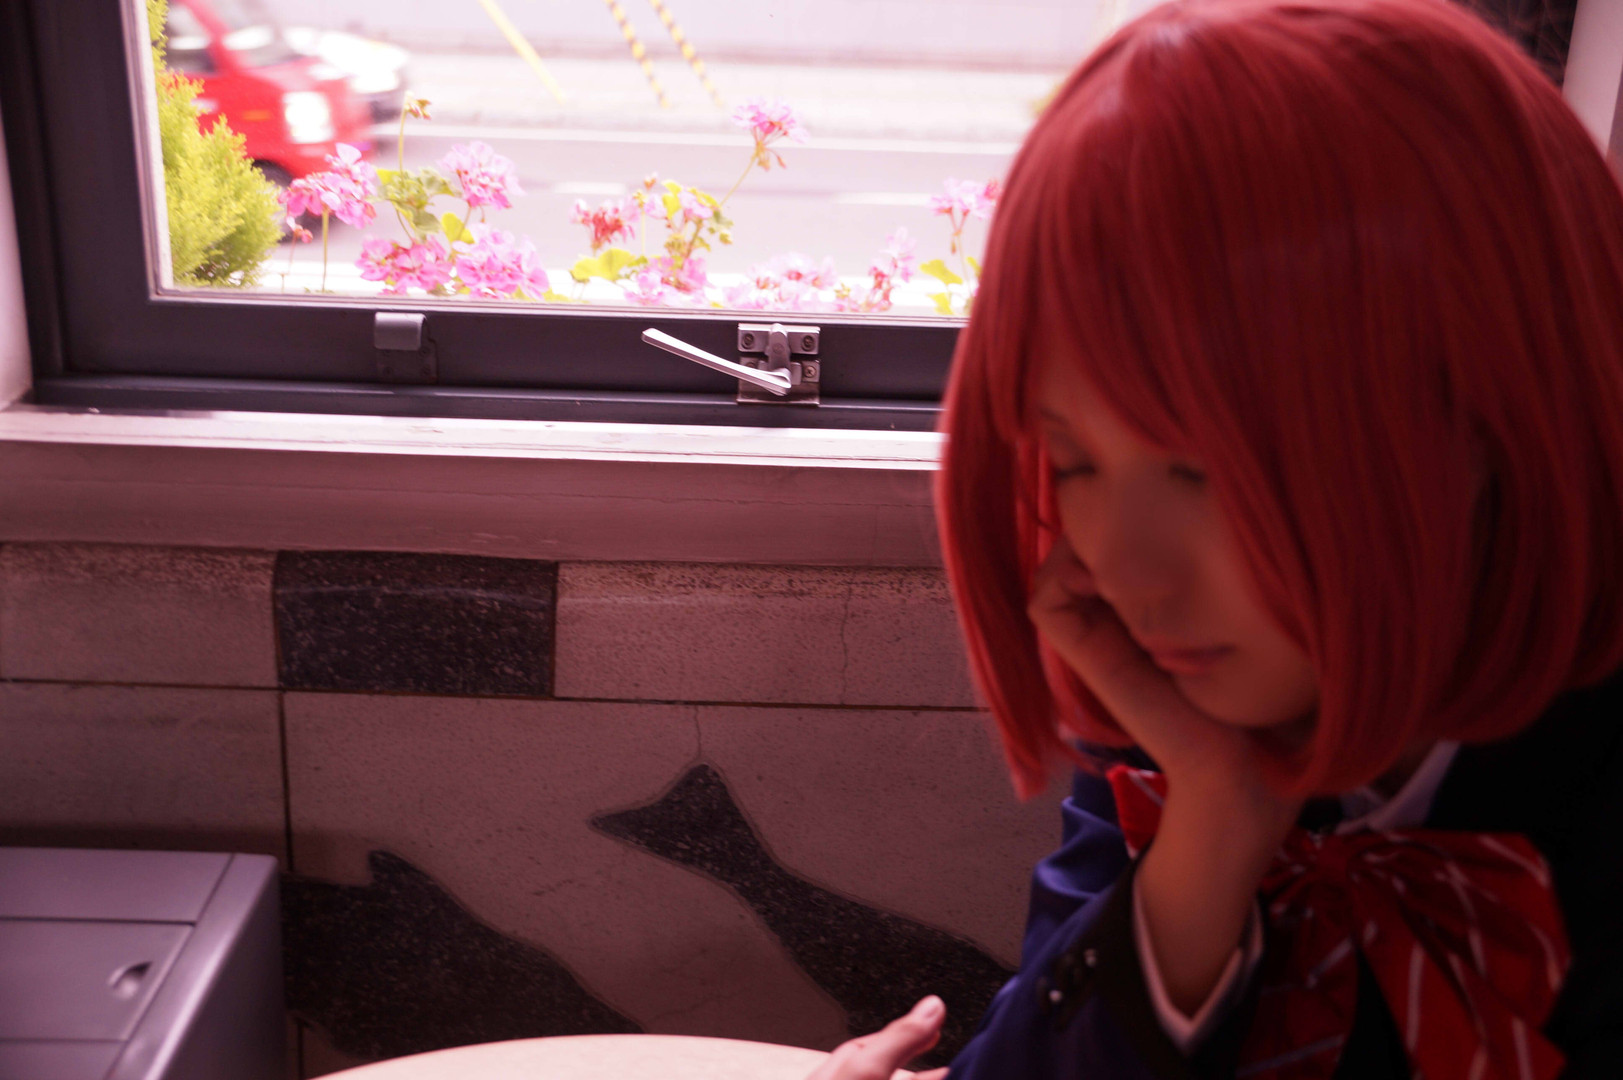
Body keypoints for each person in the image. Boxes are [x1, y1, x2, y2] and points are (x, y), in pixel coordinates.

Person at [802, 0, 1623, 1077]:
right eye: (1074, 462)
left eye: (1202, 471)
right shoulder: (1188, 709)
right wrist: (1214, 823)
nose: (1126, 573)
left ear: (1485, 421)